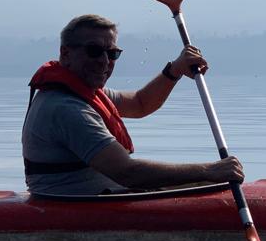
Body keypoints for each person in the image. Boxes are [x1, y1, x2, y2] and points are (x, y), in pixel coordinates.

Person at [22, 14, 243, 195]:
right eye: (94, 51)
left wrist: (174, 70)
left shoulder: (88, 94)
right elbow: (128, 173)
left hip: (105, 195)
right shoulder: (67, 109)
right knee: (211, 181)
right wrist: (210, 170)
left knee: (211, 183)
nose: (105, 61)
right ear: (65, 54)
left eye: (112, 53)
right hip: (76, 207)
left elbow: (140, 103)